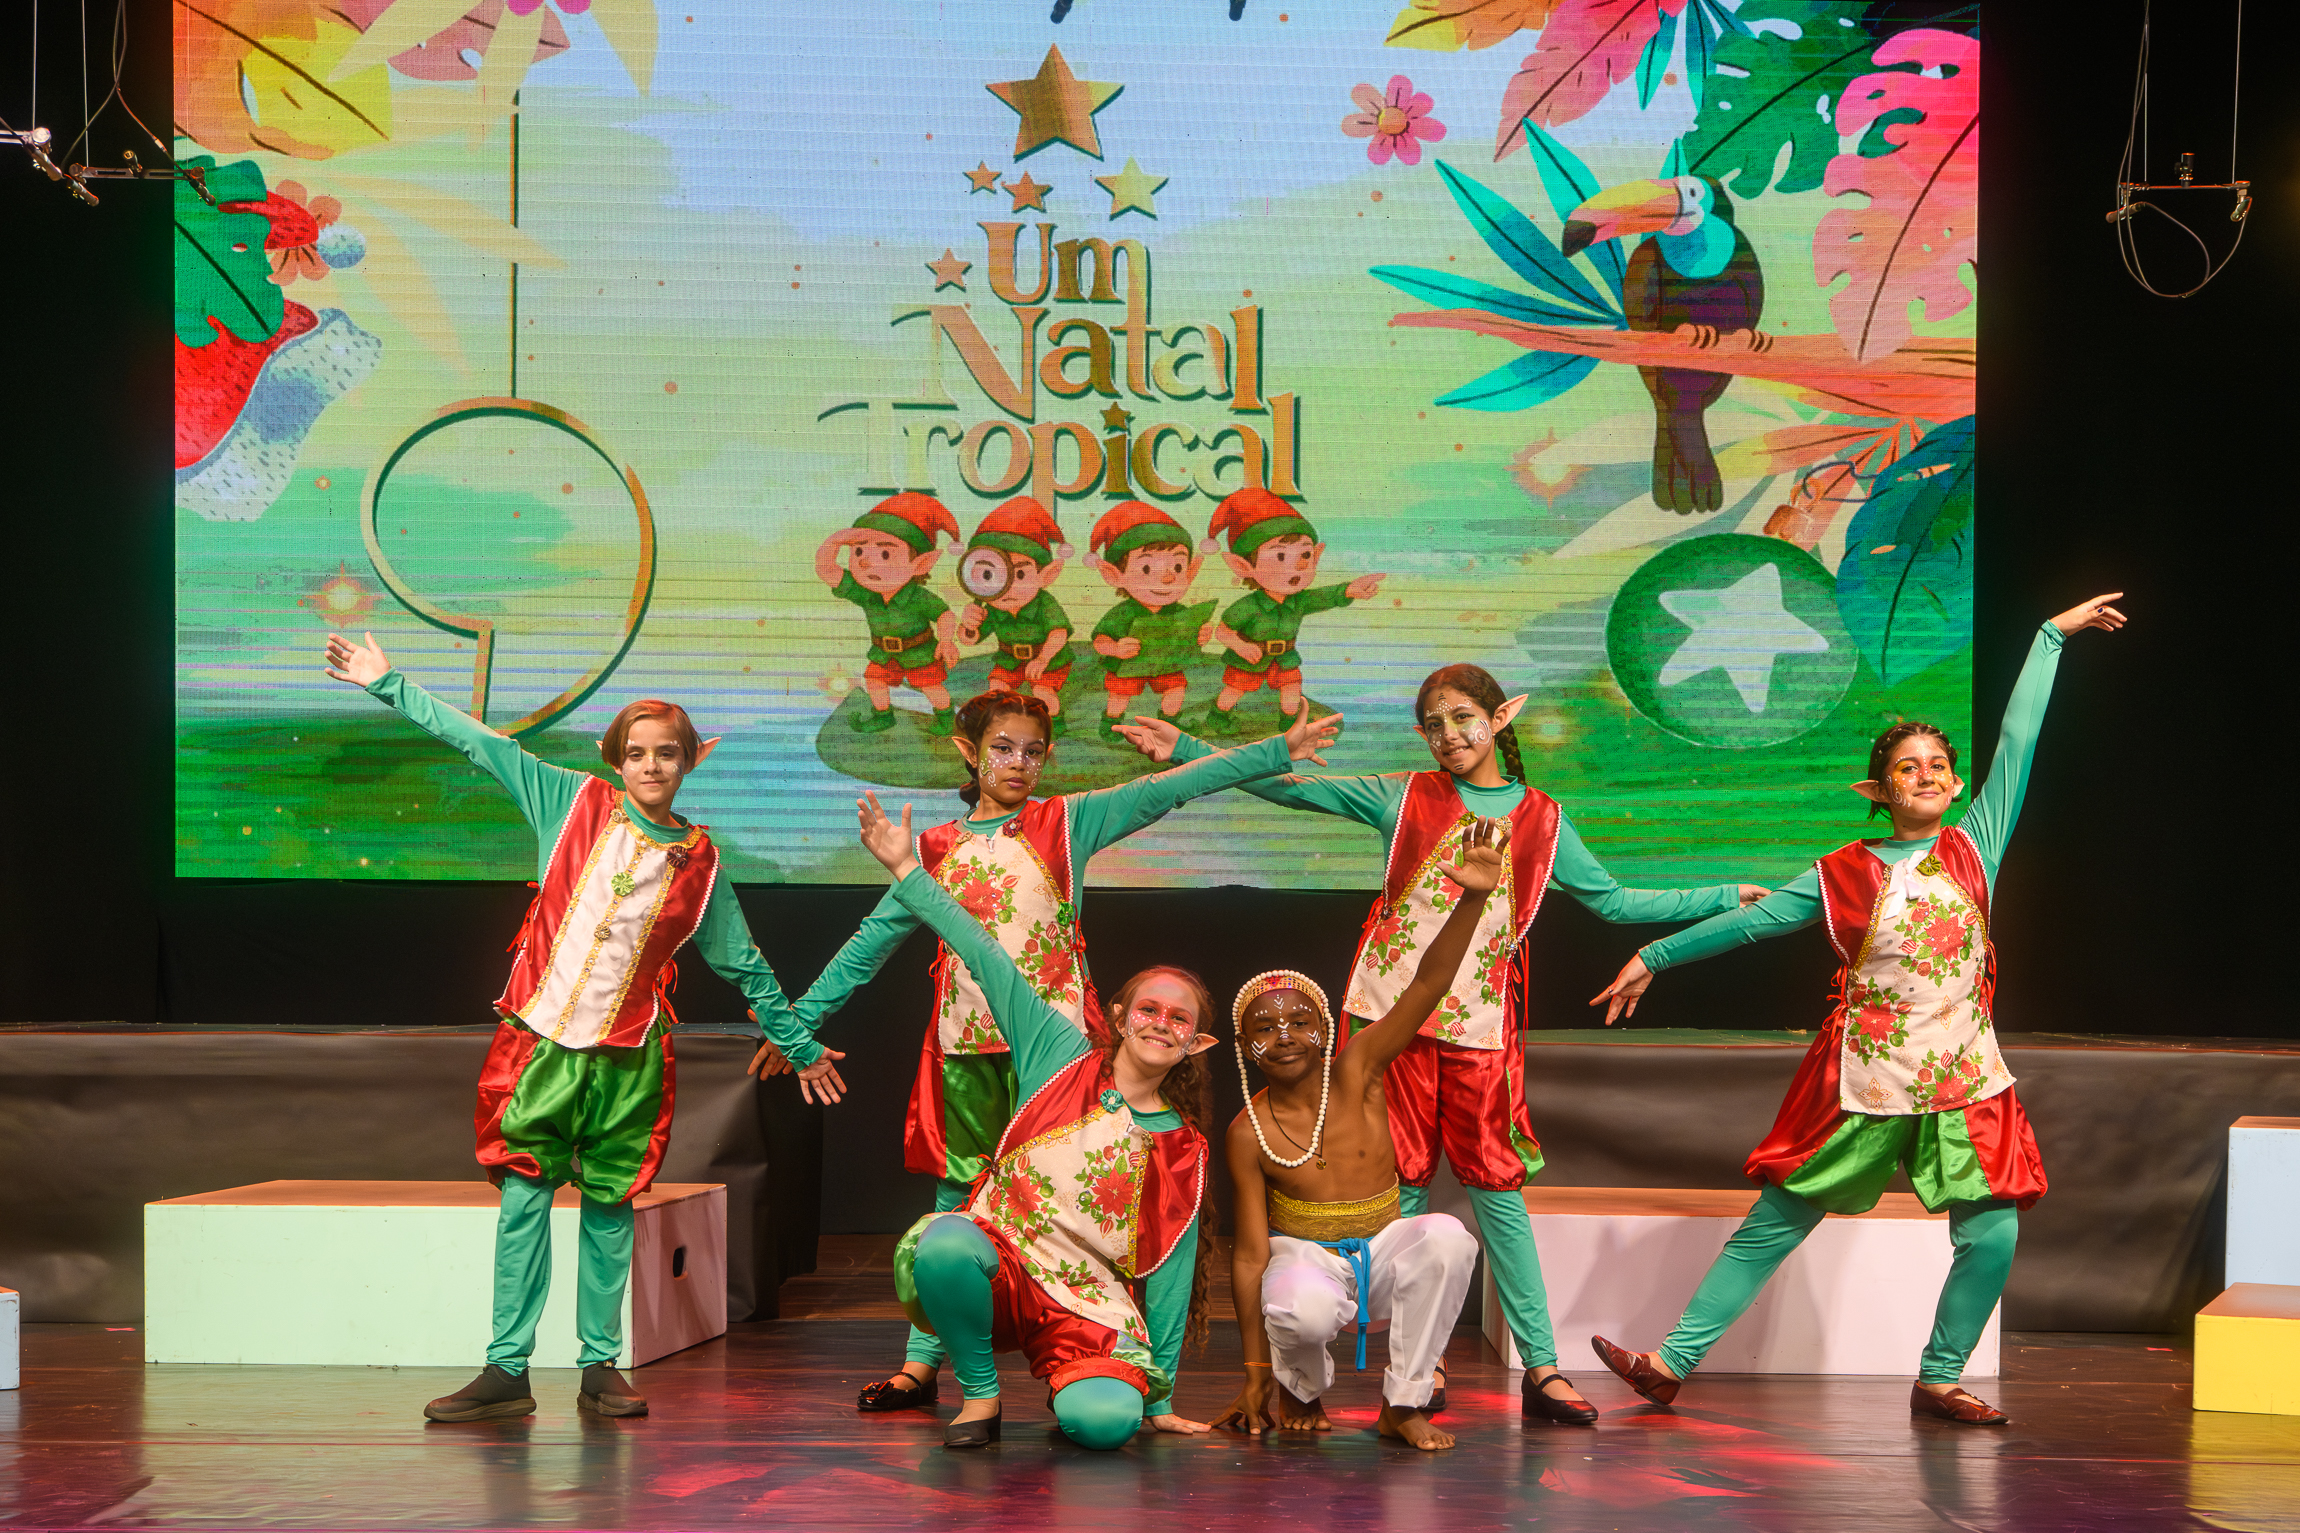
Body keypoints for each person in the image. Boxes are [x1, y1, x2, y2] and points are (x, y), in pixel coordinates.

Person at [1124, 665, 1765, 1420]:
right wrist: (1188, 749)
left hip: (1477, 1025)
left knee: (1497, 1190)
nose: (1449, 735)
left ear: (1502, 717)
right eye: (1433, 724)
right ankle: (1412, 1370)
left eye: (1463, 717)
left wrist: (1722, 895)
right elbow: (1292, 787)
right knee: (1402, 1185)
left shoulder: (1542, 818)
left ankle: (1542, 1366)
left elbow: (1614, 900)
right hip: (1385, 1020)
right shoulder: (1405, 796)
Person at [1585, 594, 2128, 1426]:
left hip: (1965, 1074)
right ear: (1878, 789)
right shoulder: (1841, 871)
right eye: (1907, 766)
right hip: (1869, 1075)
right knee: (1780, 1217)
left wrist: (2050, 636)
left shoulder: (1974, 845)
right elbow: (1755, 921)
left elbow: (2018, 740)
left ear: (1956, 782)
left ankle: (1939, 1376)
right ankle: (1669, 1362)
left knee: (1993, 1231)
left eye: (1938, 764)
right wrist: (1654, 954)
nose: (1927, 774)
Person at [758, 689, 1344, 1413]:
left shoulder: (1065, 822)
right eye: (1002, 748)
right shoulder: (932, 849)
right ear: (968, 751)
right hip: (967, 1049)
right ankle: (922, 1361)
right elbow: (869, 942)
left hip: (1061, 1054)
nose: (1019, 763)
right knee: (958, 1197)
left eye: (1034, 752)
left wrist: (1277, 750)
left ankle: (1107, 1349)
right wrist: (796, 1025)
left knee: (1092, 1198)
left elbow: (1171, 787)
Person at [320, 631, 839, 1425]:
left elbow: (746, 964)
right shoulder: (571, 801)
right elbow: (480, 742)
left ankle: (600, 1366)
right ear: (616, 759)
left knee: (608, 1208)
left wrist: (798, 1045)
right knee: (524, 1199)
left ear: (690, 760)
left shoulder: (700, 863)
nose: (651, 766)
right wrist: (386, 682)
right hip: (541, 1045)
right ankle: (506, 1367)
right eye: (637, 753)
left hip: (628, 1059)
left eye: (667, 753)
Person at [854, 790, 1237, 1450]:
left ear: (1195, 1044)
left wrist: (1161, 1398)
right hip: (1002, 1265)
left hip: (1085, 1303)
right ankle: (981, 1395)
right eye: (1149, 1009)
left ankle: (1079, 1383)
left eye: (1180, 1019)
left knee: (1106, 1426)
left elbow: (1172, 1276)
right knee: (943, 1244)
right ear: (1117, 1017)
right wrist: (906, 869)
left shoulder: (1183, 1145)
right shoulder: (1058, 1054)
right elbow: (984, 952)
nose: (1161, 1023)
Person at [1213, 821, 1512, 1452]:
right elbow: (1249, 1256)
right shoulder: (1247, 1131)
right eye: (1265, 1028)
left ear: (1326, 1030)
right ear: (1243, 1047)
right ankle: (1300, 1389)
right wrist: (1256, 1372)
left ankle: (1403, 1405)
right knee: (1299, 1309)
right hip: (1306, 1260)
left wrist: (1474, 898)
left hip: (1382, 1249)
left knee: (1448, 1239)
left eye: (1300, 1021)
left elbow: (1427, 985)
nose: (1285, 1036)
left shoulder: (1358, 1069)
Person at [1201, 487, 1384, 726]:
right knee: (1233, 692)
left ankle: (1289, 725)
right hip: (1250, 659)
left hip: (1285, 658)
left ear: (1316, 556)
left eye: (1305, 555)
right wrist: (1241, 646)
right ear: (1243, 566)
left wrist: (1350, 590)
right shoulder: (1247, 606)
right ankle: (1217, 718)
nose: (1299, 565)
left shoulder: (1299, 601)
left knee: (1292, 692)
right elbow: (1223, 631)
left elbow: (1326, 596)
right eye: (1280, 556)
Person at [816, 492, 963, 735]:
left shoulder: (918, 596)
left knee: (930, 686)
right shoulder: (866, 593)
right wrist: (835, 541)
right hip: (884, 652)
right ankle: (883, 716)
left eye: (885, 554)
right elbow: (827, 571)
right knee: (874, 680)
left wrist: (946, 640)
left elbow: (944, 614)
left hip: (919, 651)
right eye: (858, 552)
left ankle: (947, 718)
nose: (865, 563)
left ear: (921, 564)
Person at [1087, 501, 1215, 738]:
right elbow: (1099, 640)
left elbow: (1189, 636)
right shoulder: (1124, 613)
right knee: (1120, 694)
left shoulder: (1179, 611)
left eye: (1177, 567)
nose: (1167, 578)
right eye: (1147, 568)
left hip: (1166, 663)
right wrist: (1114, 648)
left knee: (1176, 688)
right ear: (1114, 575)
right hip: (1128, 665)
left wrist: (1201, 635)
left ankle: (1168, 724)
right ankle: (1111, 724)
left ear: (1190, 571)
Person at [955, 496, 1075, 728]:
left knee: (1043, 693)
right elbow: (970, 640)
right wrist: (968, 626)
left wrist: (1042, 659)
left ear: (1046, 575)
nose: (1008, 587)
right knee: (996, 690)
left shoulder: (1044, 603)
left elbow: (1059, 633)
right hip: (1010, 659)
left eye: (1019, 574)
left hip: (1048, 658)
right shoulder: (991, 606)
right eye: (991, 575)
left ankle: (1054, 724)